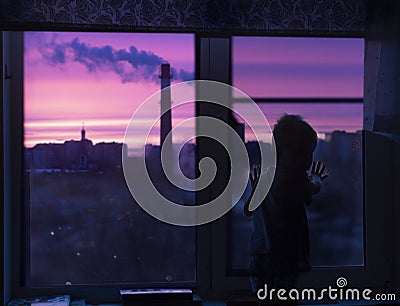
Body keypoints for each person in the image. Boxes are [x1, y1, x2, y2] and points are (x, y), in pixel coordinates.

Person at [244, 114, 328, 305]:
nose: (307, 159)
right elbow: (311, 190)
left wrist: (255, 190)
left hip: (259, 255)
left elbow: (249, 210)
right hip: (283, 256)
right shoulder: (294, 180)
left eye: (309, 153)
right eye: (301, 153)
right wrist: (317, 179)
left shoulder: (267, 177)